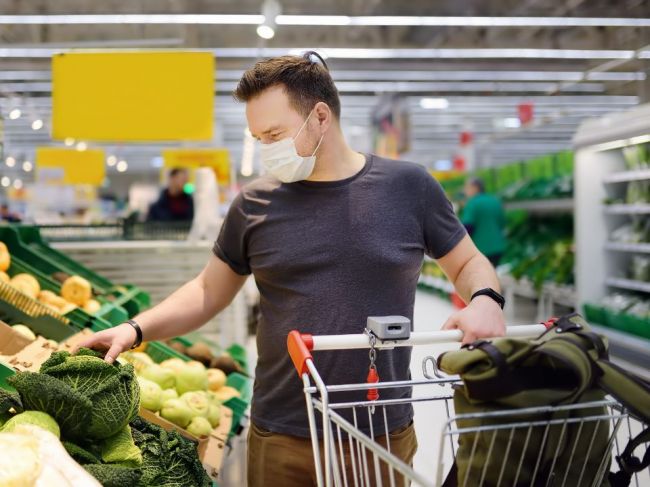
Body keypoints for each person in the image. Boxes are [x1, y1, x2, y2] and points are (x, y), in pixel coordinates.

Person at [79, 51, 506, 486]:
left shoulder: (409, 189)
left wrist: (486, 301)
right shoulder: (254, 205)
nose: (267, 149)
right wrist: (135, 329)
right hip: (282, 432)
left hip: (380, 430)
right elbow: (209, 291)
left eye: (275, 134)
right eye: (259, 138)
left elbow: (469, 261)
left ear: (320, 117)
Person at [461, 177, 507, 267]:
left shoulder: (472, 203)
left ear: (475, 188)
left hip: (481, 249)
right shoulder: (494, 200)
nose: (465, 191)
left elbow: (467, 227)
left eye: (467, 187)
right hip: (498, 248)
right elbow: (502, 223)